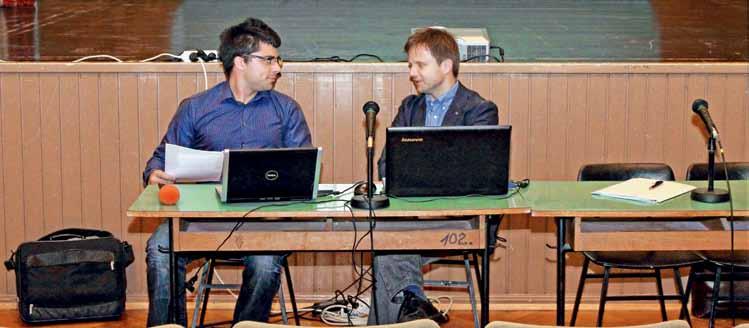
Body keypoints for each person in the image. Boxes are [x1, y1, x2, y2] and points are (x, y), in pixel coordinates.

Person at [142, 17, 311, 326]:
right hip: (202, 220)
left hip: (263, 221)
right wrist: (154, 173)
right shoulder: (195, 108)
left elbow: (302, 173)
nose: (278, 67)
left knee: (265, 261)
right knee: (160, 248)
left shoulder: (286, 110)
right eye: (269, 60)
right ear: (240, 62)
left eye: (278, 60)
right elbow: (160, 159)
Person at [371, 28, 499, 325]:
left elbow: (474, 175)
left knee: (387, 248)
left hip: (457, 220)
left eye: (420, 65)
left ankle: (412, 303)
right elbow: (385, 166)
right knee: (384, 242)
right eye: (410, 65)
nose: (412, 72)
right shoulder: (409, 107)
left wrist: (419, 181)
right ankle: (414, 305)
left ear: (446, 66)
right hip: (408, 218)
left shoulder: (478, 111)